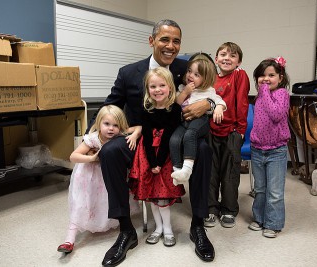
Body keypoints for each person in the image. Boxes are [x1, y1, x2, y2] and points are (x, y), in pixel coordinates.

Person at [88, 19, 215, 266]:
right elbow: (110, 104)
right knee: (110, 152)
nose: (171, 46)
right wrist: (89, 135)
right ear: (152, 41)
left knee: (203, 149)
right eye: (164, 39)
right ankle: (126, 230)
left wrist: (209, 104)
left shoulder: (186, 68)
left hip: (175, 136)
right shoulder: (128, 72)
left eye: (176, 41)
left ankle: (198, 225)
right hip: (140, 135)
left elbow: (208, 88)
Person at [57, 105, 141, 254]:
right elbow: (73, 156)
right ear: (99, 123)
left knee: (102, 202)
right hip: (88, 177)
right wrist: (92, 158)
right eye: (107, 124)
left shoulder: (120, 135)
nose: (111, 129)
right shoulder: (92, 138)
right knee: (82, 203)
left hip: (103, 179)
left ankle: (104, 223)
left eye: (115, 125)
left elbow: (138, 128)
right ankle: (69, 239)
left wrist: (134, 135)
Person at [128, 67, 185, 247]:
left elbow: (168, 136)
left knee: (164, 197)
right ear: (148, 89)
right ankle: (158, 228)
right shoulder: (147, 110)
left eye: (162, 85)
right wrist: (152, 162)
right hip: (148, 157)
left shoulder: (174, 109)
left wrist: (159, 163)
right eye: (153, 86)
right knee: (152, 195)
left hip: (166, 157)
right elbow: (145, 139)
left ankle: (167, 229)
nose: (157, 89)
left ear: (170, 87)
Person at [205, 42, 250, 229]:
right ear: (216, 59)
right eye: (223, 54)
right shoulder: (210, 78)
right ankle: (211, 208)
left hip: (231, 131)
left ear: (238, 61)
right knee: (210, 173)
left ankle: (229, 210)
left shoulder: (239, 75)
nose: (227, 58)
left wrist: (240, 130)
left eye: (232, 56)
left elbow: (242, 103)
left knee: (230, 173)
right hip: (210, 131)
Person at [248, 56, 290, 238]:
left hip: (276, 151)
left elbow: (276, 114)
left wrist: (264, 91)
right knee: (260, 189)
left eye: (271, 75)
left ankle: (273, 223)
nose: (265, 79)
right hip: (258, 149)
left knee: (274, 191)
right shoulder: (260, 96)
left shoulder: (281, 94)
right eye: (261, 76)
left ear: (280, 78)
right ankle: (259, 219)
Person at [170, 56, 226, 186]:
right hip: (184, 122)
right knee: (174, 139)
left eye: (196, 74)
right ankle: (178, 171)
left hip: (200, 120)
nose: (190, 75)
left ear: (205, 79)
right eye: (189, 71)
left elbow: (220, 101)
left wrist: (218, 108)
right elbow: (177, 103)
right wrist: (185, 92)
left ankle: (187, 169)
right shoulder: (182, 87)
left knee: (190, 135)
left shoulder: (208, 91)